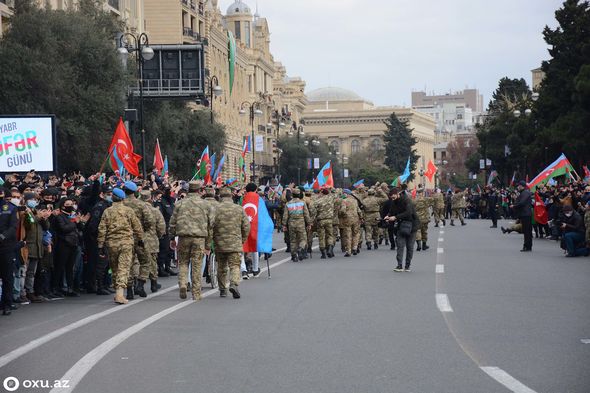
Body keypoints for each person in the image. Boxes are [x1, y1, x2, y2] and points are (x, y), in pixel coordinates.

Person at [97, 188, 143, 305]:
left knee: (115, 268)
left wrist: (100, 245)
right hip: (126, 242)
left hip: (111, 243)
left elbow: (102, 229)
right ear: (122, 198)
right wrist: (141, 239)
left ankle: (118, 292)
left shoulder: (107, 211)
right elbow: (137, 226)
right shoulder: (129, 211)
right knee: (123, 268)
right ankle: (120, 294)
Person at [169, 181, 214, 301]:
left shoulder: (180, 204)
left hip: (183, 237)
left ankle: (183, 284)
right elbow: (211, 225)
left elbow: (172, 222)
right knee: (197, 265)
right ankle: (196, 292)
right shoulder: (206, 205)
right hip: (199, 238)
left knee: (183, 263)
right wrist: (208, 245)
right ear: (199, 190)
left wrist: (172, 238)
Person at [212, 187, 250, 299]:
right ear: (231, 196)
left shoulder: (215, 209)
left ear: (220, 197)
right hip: (235, 242)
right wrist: (242, 239)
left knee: (221, 267)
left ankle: (223, 289)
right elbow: (246, 226)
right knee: (235, 266)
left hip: (219, 243)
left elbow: (210, 226)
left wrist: (212, 240)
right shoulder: (238, 209)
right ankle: (233, 284)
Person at [122, 181, 155, 298]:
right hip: (140, 237)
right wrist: (142, 229)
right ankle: (140, 284)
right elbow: (150, 221)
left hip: (125, 237)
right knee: (145, 262)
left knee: (128, 264)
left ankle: (129, 290)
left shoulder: (120, 204)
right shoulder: (141, 204)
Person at [84, 184, 112, 295]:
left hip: (105, 239)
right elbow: (93, 226)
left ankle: (104, 284)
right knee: (97, 264)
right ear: (102, 194)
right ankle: (96, 286)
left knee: (105, 264)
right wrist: (98, 239)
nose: (110, 196)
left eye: (111, 194)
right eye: (108, 194)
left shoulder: (108, 205)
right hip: (96, 240)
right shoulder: (99, 206)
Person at [385, 188, 419, 272]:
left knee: (410, 246)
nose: (392, 199)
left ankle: (407, 265)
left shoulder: (407, 200)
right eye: (391, 198)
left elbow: (408, 212)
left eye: (393, 197)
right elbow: (391, 211)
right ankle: (399, 265)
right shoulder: (394, 202)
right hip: (401, 225)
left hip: (412, 225)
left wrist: (396, 217)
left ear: (398, 194)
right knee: (400, 246)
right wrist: (388, 216)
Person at [0, 188, 18, 315]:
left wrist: (2, 236)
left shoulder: (11, 208)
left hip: (6, 246)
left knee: (7, 276)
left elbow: (13, 227)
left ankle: (7, 303)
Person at [282, 188, 311, 262]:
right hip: (301, 222)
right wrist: (309, 223)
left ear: (292, 195)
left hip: (291, 223)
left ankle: (294, 255)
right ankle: (300, 248)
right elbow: (306, 214)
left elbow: (285, 215)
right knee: (303, 239)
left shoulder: (288, 203)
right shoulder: (302, 203)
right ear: (299, 194)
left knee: (293, 240)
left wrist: (284, 225)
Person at [311, 187, 335, 259]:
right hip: (330, 219)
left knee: (321, 237)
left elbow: (313, 210)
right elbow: (335, 195)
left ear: (322, 193)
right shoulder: (331, 199)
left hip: (321, 220)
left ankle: (323, 253)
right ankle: (330, 248)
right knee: (330, 235)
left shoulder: (318, 201)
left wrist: (312, 220)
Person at [511, 181, 533, 252]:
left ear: (522, 186)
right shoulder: (525, 193)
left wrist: (514, 206)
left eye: (518, 186)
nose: (517, 187)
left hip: (525, 214)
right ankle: (528, 246)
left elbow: (522, 203)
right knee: (528, 231)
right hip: (526, 214)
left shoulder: (525, 193)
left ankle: (526, 246)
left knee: (526, 231)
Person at [414, 187, 433, 251]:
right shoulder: (426, 199)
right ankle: (424, 245)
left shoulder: (414, 200)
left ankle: (418, 244)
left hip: (417, 218)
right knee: (424, 231)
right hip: (425, 218)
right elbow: (433, 200)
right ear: (422, 192)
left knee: (418, 231)